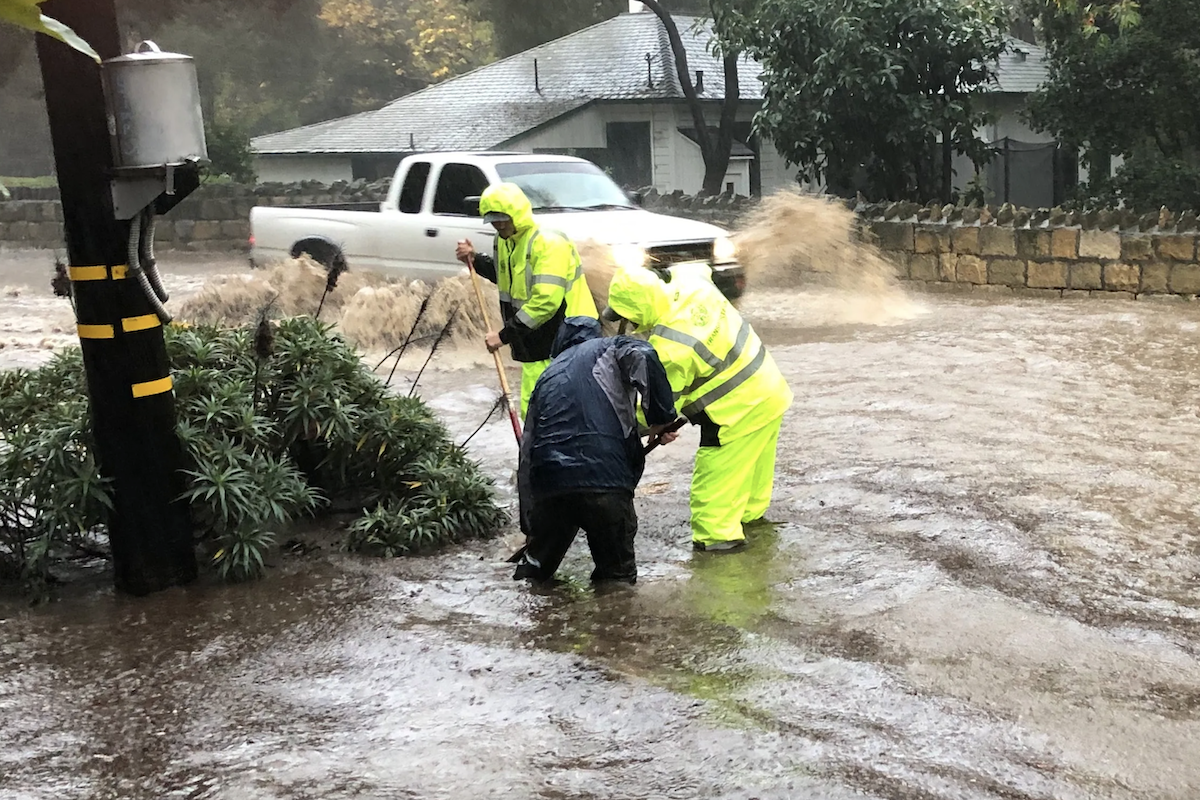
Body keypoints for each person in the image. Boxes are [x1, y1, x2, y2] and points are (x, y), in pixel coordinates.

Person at [603, 264, 793, 552]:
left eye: (627, 316)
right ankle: (758, 537)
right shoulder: (690, 280)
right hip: (769, 389)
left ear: (638, 310)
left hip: (735, 414)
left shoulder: (669, 348)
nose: (626, 322)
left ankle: (721, 561)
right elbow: (700, 266)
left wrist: (632, 428)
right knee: (750, 493)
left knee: (714, 509)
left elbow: (661, 408)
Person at [513, 316, 679, 584]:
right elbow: (644, 354)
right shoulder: (611, 348)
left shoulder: (546, 377)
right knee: (617, 581)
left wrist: (530, 527)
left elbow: (526, 454)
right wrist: (661, 417)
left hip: (550, 486)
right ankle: (610, 621)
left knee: (535, 578)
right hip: (604, 483)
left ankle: (535, 617)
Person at [455, 183, 598, 416]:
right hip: (535, 343)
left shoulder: (549, 243)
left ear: (518, 214)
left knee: (553, 413)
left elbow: (545, 303)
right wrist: (475, 260)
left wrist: (502, 337)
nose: (499, 224)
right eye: (493, 219)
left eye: (504, 218)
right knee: (536, 412)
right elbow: (507, 278)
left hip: (567, 337)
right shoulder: (503, 241)